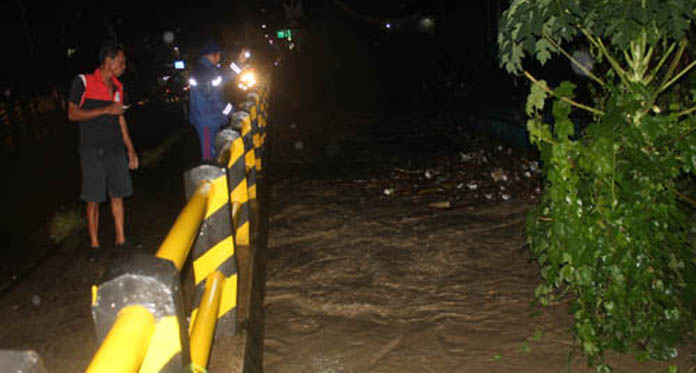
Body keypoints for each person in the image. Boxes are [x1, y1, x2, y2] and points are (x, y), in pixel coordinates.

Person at [67, 42, 138, 261]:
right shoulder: (83, 82)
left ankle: (121, 239)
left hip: (115, 148)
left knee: (118, 195)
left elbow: (120, 119)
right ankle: (95, 245)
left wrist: (131, 150)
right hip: (92, 150)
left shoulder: (119, 88)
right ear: (108, 60)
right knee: (94, 198)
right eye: (121, 61)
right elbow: (72, 114)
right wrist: (105, 109)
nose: (124, 65)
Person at [188, 40, 249, 161]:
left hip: (210, 118)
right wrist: (231, 112)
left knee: (214, 151)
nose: (220, 58)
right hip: (205, 119)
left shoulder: (208, 69)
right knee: (208, 154)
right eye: (218, 55)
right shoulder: (203, 71)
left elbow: (225, 75)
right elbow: (215, 99)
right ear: (212, 55)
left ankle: (215, 173)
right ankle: (210, 176)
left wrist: (239, 63)